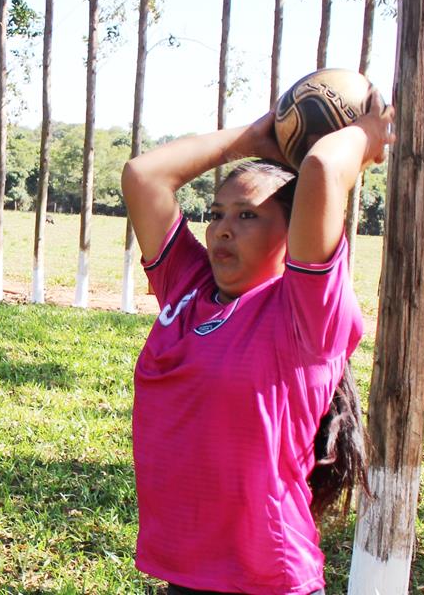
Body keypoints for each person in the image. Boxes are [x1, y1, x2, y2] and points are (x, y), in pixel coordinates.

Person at [121, 91, 394, 595]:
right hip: (183, 576)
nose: (222, 230)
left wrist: (366, 136)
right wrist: (250, 139)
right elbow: (144, 177)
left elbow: (321, 170)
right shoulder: (189, 287)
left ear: (295, 234)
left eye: (247, 216)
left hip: (266, 579)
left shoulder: (306, 314)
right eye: (218, 213)